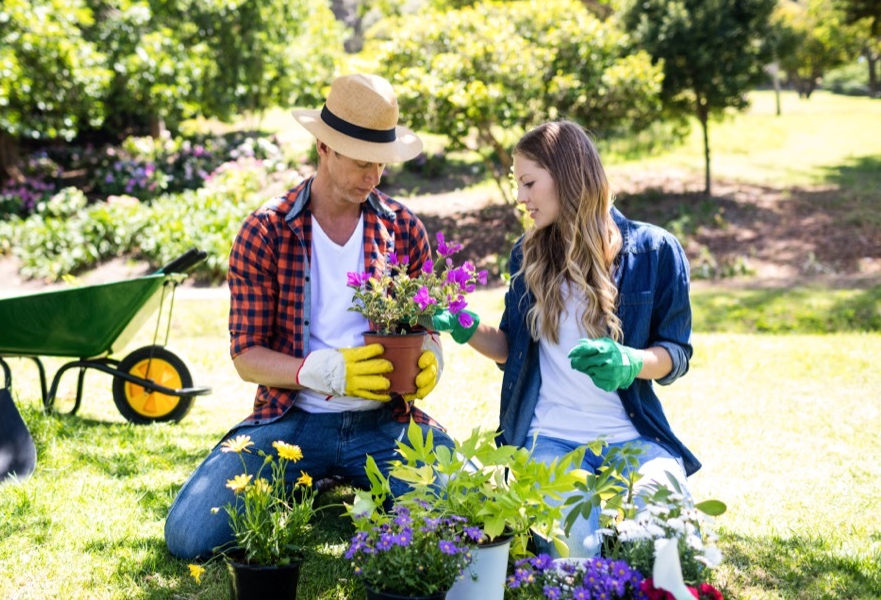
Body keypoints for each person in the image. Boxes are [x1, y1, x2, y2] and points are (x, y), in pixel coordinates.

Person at [164, 73, 451, 560]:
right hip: (292, 421)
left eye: (381, 163)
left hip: (384, 422)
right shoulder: (266, 230)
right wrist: (319, 371)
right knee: (189, 536)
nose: (374, 177)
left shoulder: (403, 229)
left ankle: (346, 482)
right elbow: (246, 355)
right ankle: (312, 479)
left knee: (461, 510)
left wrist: (432, 358)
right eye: (361, 162)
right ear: (324, 147)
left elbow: (426, 330)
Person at [435, 119, 699, 557]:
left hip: (632, 436)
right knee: (578, 553)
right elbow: (511, 349)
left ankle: (627, 541)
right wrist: (467, 329)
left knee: (673, 541)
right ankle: (606, 543)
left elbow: (676, 353)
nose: (520, 197)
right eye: (517, 185)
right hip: (550, 438)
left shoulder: (655, 250)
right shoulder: (528, 255)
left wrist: (631, 362)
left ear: (568, 176)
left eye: (529, 183)